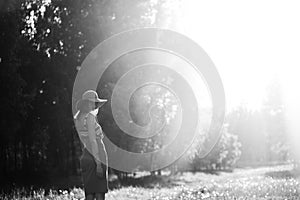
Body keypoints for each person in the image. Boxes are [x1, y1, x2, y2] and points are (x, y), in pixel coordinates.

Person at [74, 90, 108, 200]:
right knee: (99, 193)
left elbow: (84, 141)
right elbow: (93, 141)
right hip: (96, 154)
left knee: (89, 193)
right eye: (94, 102)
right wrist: (98, 163)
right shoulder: (90, 117)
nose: (95, 105)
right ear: (88, 103)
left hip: (86, 156)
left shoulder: (78, 118)